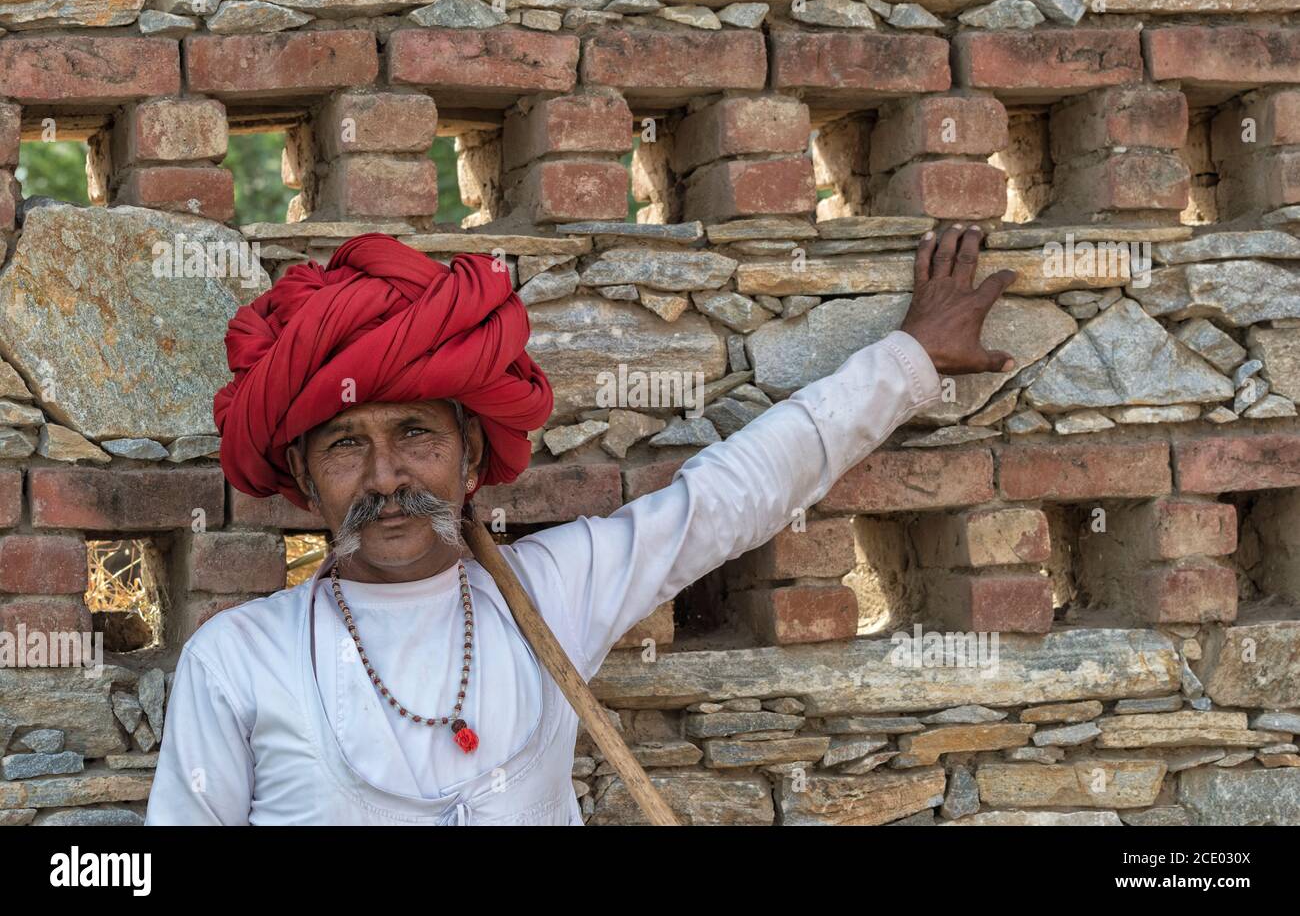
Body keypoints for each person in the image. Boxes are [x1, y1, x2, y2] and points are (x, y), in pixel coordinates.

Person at [143, 223, 1017, 825]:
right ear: (301, 476)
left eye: (416, 434)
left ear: (472, 454)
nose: (386, 477)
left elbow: (727, 496)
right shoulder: (238, 660)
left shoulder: (552, 590)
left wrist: (909, 362)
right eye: (345, 447)